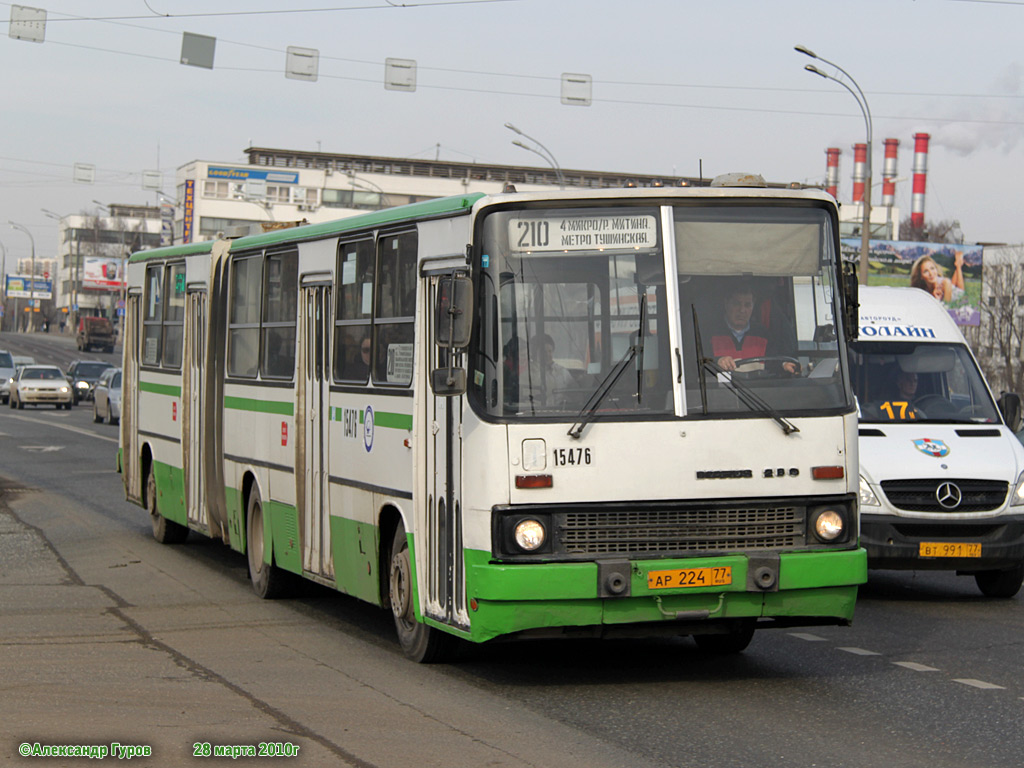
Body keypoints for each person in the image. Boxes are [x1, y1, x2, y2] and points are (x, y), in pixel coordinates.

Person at [708, 282, 799, 374]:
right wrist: (717, 361)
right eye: (737, 304)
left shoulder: (764, 335)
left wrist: (784, 365)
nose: (742, 310)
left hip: (758, 388)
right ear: (726, 303)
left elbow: (773, 363)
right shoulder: (709, 334)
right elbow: (698, 364)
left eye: (747, 305)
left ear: (753, 306)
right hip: (723, 388)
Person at [527, 333, 575, 405]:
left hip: (562, 412)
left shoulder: (562, 372)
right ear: (534, 353)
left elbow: (576, 395)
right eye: (543, 352)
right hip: (538, 412)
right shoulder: (529, 373)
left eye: (550, 351)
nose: (547, 355)